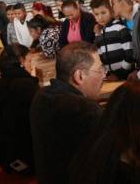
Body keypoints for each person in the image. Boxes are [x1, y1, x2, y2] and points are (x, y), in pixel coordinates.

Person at [30, 42, 103, 184]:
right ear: (79, 76)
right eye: (100, 69)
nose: (103, 75)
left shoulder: (42, 95)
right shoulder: (86, 110)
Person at [0, 44, 38, 174]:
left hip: (9, 151)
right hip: (28, 155)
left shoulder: (0, 82)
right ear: (21, 61)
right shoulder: (23, 84)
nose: (31, 65)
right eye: (29, 61)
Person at [91, 0, 133, 80]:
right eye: (96, 14)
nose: (100, 17)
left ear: (111, 10)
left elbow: (129, 53)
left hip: (125, 76)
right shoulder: (99, 32)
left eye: (103, 13)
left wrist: (120, 74)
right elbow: (99, 54)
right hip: (110, 77)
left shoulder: (120, 28)